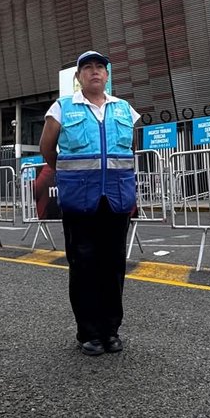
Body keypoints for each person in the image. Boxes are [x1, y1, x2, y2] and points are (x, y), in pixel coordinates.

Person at [39, 50, 139, 356]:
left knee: (113, 266)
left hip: (117, 200)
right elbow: (47, 149)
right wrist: (72, 175)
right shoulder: (62, 108)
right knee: (83, 266)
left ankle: (111, 330)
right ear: (79, 76)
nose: (94, 72)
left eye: (100, 67)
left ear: (107, 75)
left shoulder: (124, 109)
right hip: (80, 201)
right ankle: (89, 332)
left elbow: (131, 149)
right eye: (88, 68)